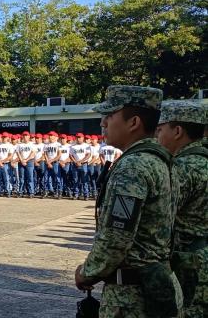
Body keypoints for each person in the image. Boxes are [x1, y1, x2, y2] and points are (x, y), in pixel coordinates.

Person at [75, 85, 182, 317]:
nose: (103, 122)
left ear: (133, 122)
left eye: (110, 115)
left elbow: (117, 235)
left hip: (132, 297)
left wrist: (87, 272)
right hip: (156, 285)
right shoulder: (160, 159)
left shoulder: (133, 166)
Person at [156, 100, 207, 317]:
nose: (156, 136)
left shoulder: (183, 167)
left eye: (160, 130)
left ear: (177, 131)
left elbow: (161, 218)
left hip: (192, 265)